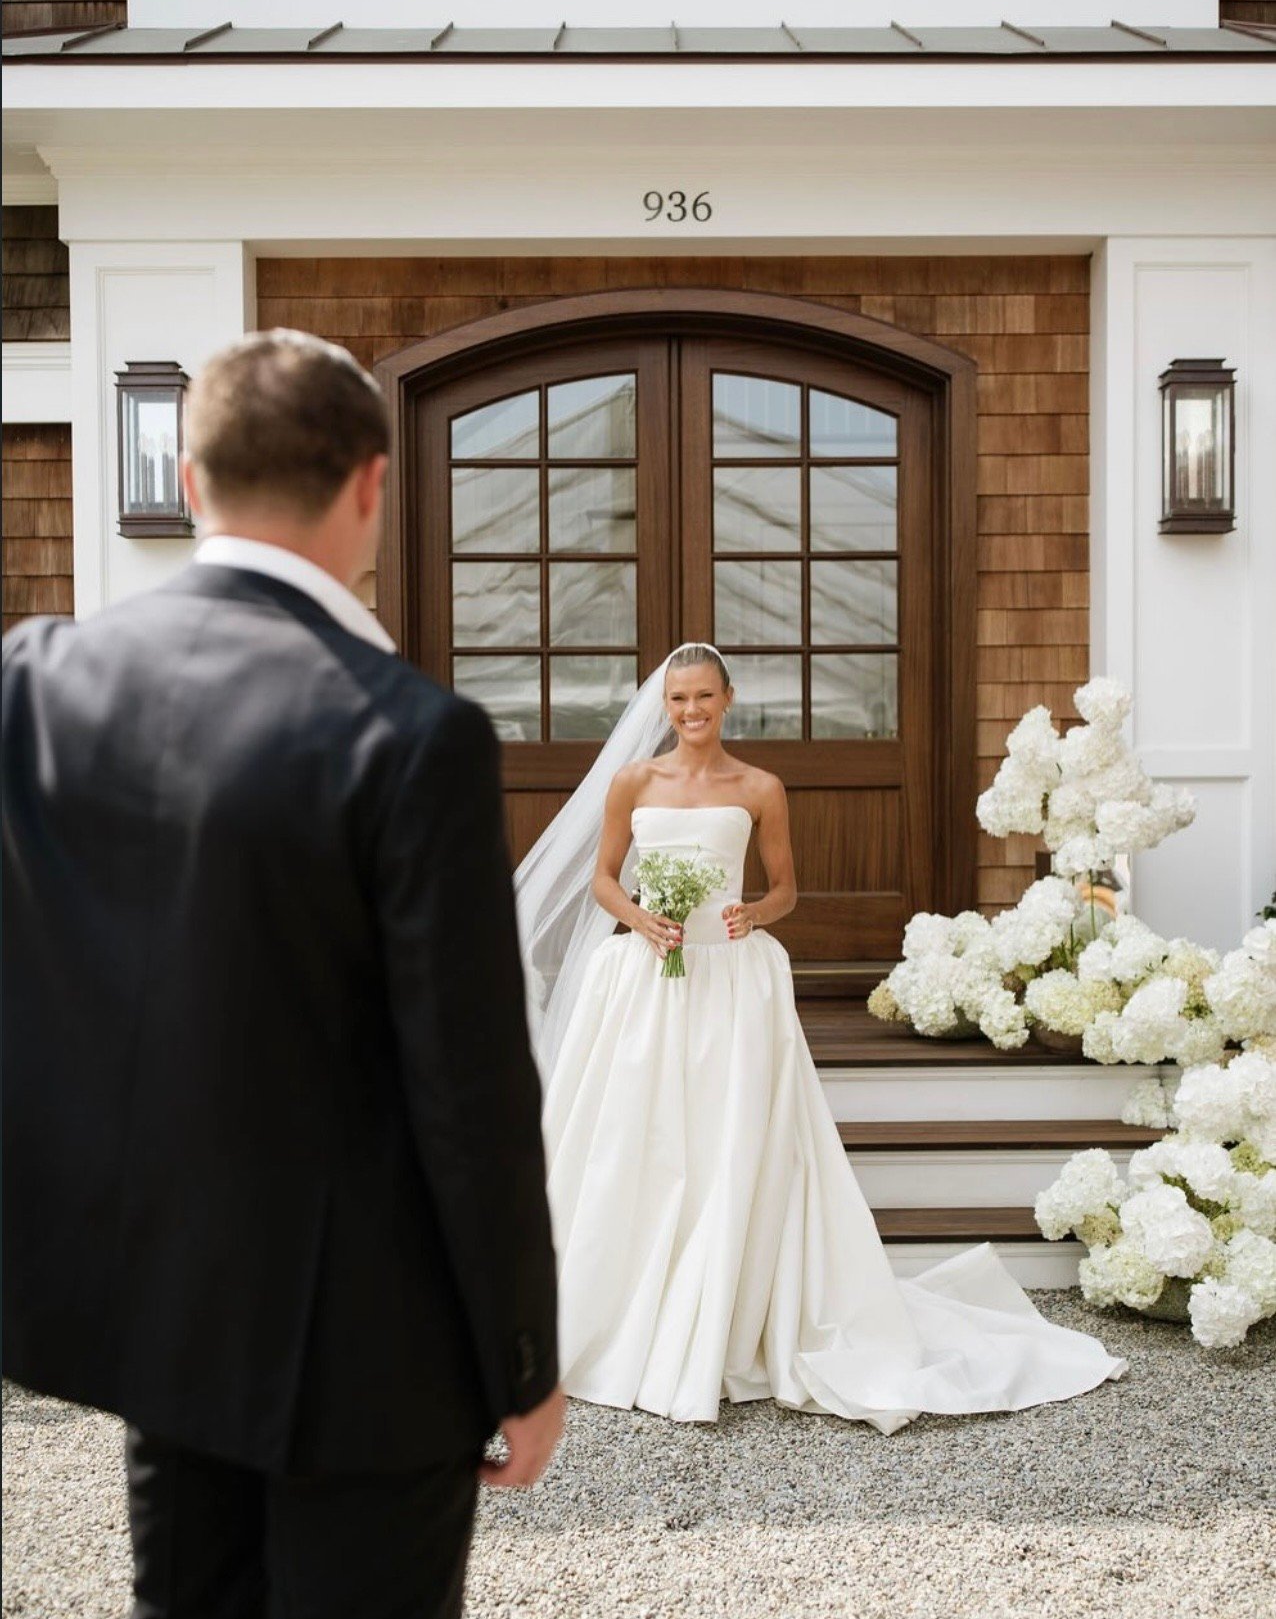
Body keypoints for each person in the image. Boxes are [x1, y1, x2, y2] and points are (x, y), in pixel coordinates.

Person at [2, 329, 564, 1619]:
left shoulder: (33, 683)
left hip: (151, 1307)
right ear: (371, 484)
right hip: (369, 1352)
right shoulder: (411, 734)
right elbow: (469, 1090)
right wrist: (521, 1359)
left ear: (191, 484)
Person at [516, 643, 1126, 1430]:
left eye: (704, 697)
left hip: (731, 979)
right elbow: (603, 876)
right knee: (641, 1137)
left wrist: (752, 914)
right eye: (677, 700)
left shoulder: (761, 787)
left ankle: (720, 1304)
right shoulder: (634, 782)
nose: (691, 711)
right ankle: (629, 1301)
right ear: (663, 707)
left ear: (728, 698)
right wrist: (638, 918)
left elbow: (786, 888)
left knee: (722, 1137)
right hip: (647, 980)